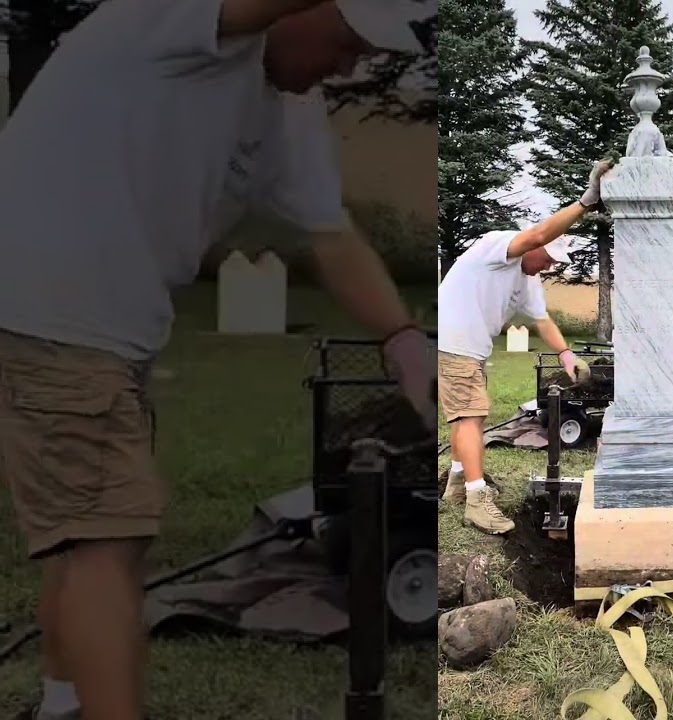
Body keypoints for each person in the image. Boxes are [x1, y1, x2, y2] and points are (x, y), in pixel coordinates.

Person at [0, 1, 434, 719]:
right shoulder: (165, 18)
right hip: (52, 313)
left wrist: (401, 339)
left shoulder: (286, 111)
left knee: (94, 540)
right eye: (345, 40)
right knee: (104, 541)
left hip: (111, 331)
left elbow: (331, 235)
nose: (351, 64)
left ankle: (60, 704)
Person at [437, 160, 613, 535]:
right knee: (469, 417)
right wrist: (584, 204)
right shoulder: (498, 246)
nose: (549, 266)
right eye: (548, 258)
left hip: (470, 347)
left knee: (470, 418)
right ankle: (475, 497)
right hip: (452, 342)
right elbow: (535, 237)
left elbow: (543, 320)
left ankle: (456, 482)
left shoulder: (529, 277)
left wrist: (567, 355)